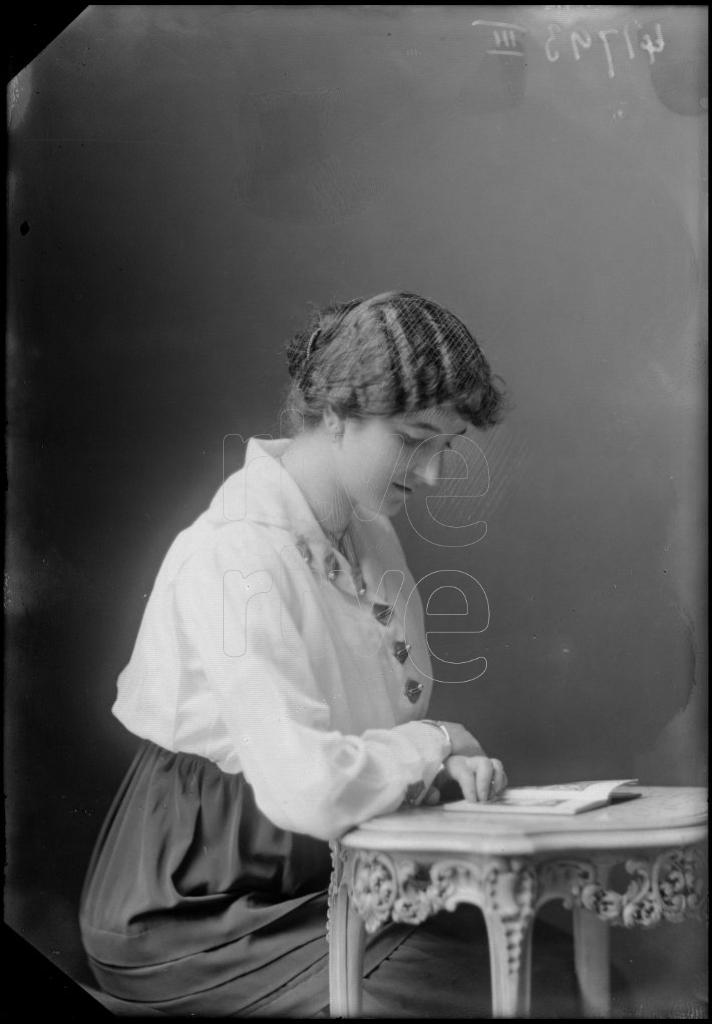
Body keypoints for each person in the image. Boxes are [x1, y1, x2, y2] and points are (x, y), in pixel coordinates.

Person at [79, 291, 512, 1017]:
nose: (434, 475)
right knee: (473, 995)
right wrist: (428, 743)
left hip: (327, 877)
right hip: (193, 909)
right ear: (336, 415)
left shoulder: (368, 531)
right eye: (414, 439)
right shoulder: (235, 553)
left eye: (447, 446)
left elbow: (362, 723)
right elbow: (306, 785)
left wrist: (433, 770)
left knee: (548, 966)